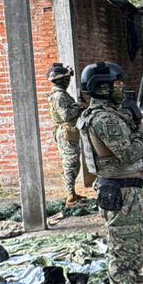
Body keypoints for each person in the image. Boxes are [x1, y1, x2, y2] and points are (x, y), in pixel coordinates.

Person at [75, 61, 143, 284]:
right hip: (119, 190)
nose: (121, 87)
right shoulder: (105, 119)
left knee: (129, 243)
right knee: (122, 249)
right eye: (116, 83)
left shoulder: (106, 114)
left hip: (123, 188)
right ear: (102, 88)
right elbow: (128, 153)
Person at [46, 62, 84, 204]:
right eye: (66, 78)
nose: (68, 81)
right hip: (66, 131)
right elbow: (66, 115)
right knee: (70, 163)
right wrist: (79, 106)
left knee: (74, 163)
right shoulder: (59, 95)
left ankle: (72, 192)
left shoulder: (61, 94)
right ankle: (70, 195)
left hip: (68, 131)